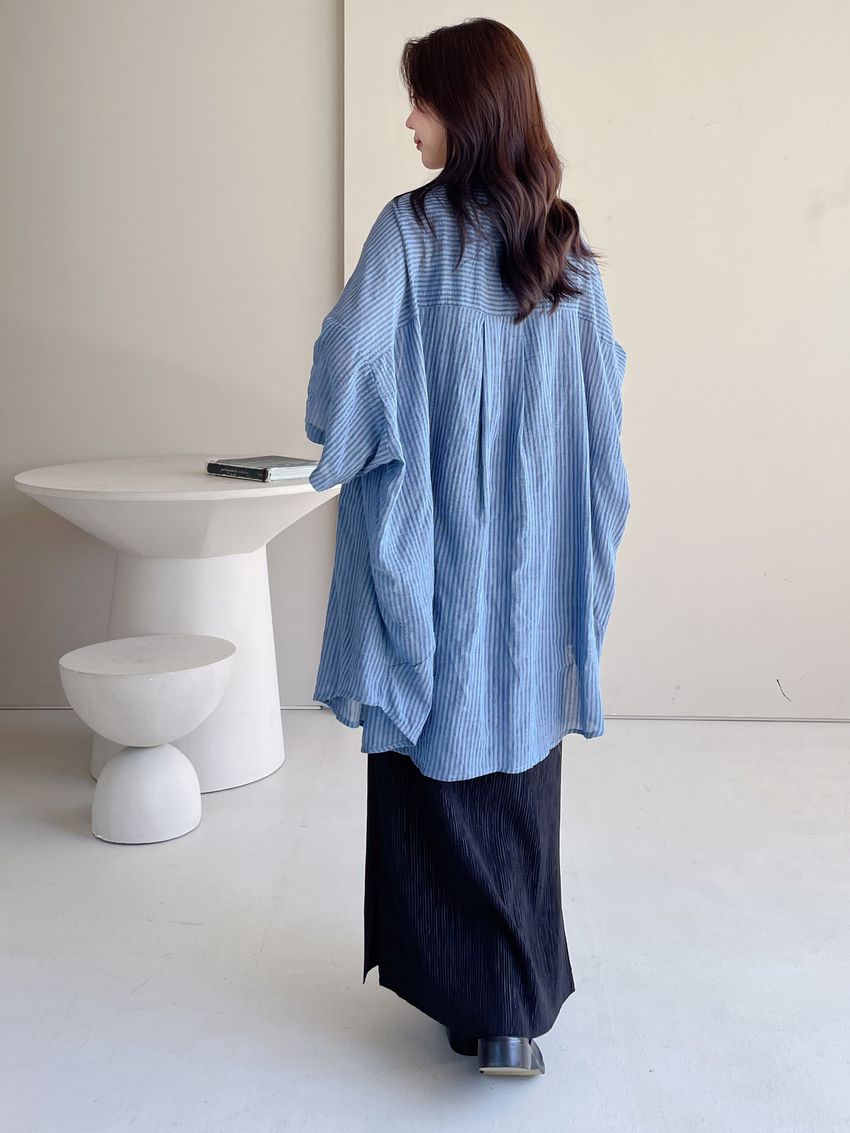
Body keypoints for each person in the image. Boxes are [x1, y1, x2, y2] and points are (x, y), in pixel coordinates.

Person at [304, 17, 630, 1078]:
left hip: (439, 569)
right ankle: (510, 1010)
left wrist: (349, 439)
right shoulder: (561, 243)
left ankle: (472, 994)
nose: (408, 119)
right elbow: (601, 408)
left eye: (424, 100)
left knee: (433, 761)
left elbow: (349, 362)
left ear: (470, 109)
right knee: (519, 774)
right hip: (527, 578)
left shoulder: (412, 232)